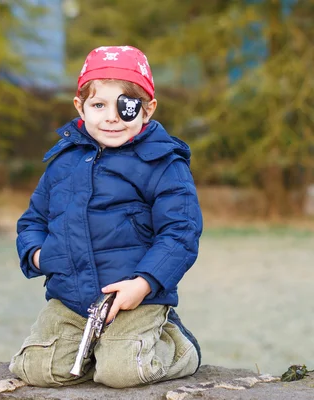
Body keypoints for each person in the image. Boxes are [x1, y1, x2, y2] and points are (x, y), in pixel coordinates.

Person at [10, 45, 203, 389]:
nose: (111, 117)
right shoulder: (63, 162)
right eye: (98, 105)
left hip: (134, 297)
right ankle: (97, 349)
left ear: (147, 110)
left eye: (125, 107)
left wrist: (143, 283)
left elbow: (180, 233)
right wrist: (38, 254)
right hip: (71, 296)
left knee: (122, 372)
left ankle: (176, 345)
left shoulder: (163, 164)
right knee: (36, 368)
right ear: (80, 106)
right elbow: (32, 221)